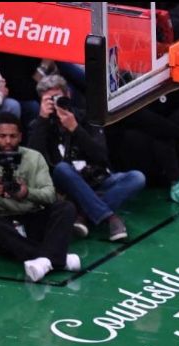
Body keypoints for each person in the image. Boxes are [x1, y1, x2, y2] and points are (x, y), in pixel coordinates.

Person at [28, 74, 145, 241]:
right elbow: (33, 161)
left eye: (58, 97)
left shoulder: (86, 118)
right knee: (62, 169)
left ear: (68, 95)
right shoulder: (39, 125)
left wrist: (75, 129)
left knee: (137, 178)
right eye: (49, 99)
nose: (55, 103)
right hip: (64, 187)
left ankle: (83, 213)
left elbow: (101, 156)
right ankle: (110, 217)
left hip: (95, 179)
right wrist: (42, 121)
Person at [0, 112, 79, 282]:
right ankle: (58, 259)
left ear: (20, 136)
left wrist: (27, 193)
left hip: (31, 217)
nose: (7, 141)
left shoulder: (34, 158)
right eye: (3, 136)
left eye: (12, 136)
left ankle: (43, 259)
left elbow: (50, 195)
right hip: (2, 224)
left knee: (66, 207)